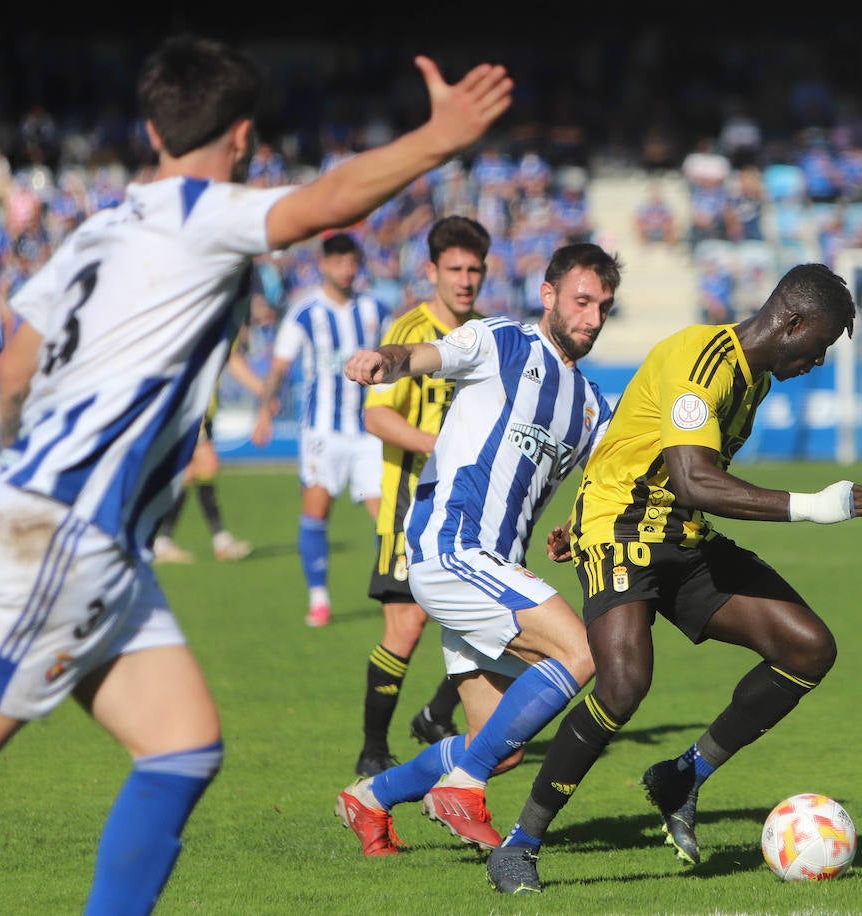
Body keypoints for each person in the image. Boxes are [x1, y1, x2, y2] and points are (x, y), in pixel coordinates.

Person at [0, 32, 512, 915]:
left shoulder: (100, 226)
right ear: (246, 138)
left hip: (68, 528)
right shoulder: (203, 211)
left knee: (181, 745)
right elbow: (325, 199)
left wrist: (19, 471)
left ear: (151, 130)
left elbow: (13, 368)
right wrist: (439, 139)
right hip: (67, 531)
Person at [484, 262, 862, 895]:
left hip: (679, 537)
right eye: (820, 344)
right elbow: (694, 479)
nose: (821, 360)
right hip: (622, 530)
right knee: (625, 682)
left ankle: (684, 776)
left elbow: (644, 446)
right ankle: (519, 844)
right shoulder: (700, 359)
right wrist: (813, 506)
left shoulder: (753, 382)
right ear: (791, 321)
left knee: (808, 647)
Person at [334, 242, 623, 858]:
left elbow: (613, 474)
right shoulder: (500, 342)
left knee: (501, 743)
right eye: (581, 301)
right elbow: (421, 353)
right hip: (452, 547)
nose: (592, 317)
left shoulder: (592, 406)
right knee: (585, 650)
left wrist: (576, 524)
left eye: (603, 306)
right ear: (548, 295)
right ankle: (460, 790)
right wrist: (383, 361)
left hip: (493, 569)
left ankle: (371, 798)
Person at [351, 215, 491, 777]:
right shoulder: (409, 330)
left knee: (491, 619)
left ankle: (436, 713)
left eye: (474, 269)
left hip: (474, 508)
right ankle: (372, 747)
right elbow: (378, 417)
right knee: (406, 628)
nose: (465, 279)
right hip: (411, 504)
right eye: (454, 268)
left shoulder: (484, 332)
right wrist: (441, 444)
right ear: (432, 270)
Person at [250, 230, 388, 625]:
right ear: (324, 264)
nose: (347, 270)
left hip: (368, 433)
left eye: (352, 262)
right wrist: (265, 409)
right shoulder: (305, 311)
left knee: (384, 516)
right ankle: (319, 598)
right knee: (316, 512)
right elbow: (279, 366)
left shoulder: (376, 308)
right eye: (339, 262)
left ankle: (397, 592)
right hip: (322, 433)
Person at [152, 342, 262, 564]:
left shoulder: (216, 337)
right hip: (190, 413)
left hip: (201, 413)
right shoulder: (206, 335)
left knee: (189, 474)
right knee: (207, 464)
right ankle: (221, 541)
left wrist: (263, 392)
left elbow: (235, 363)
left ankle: (161, 541)